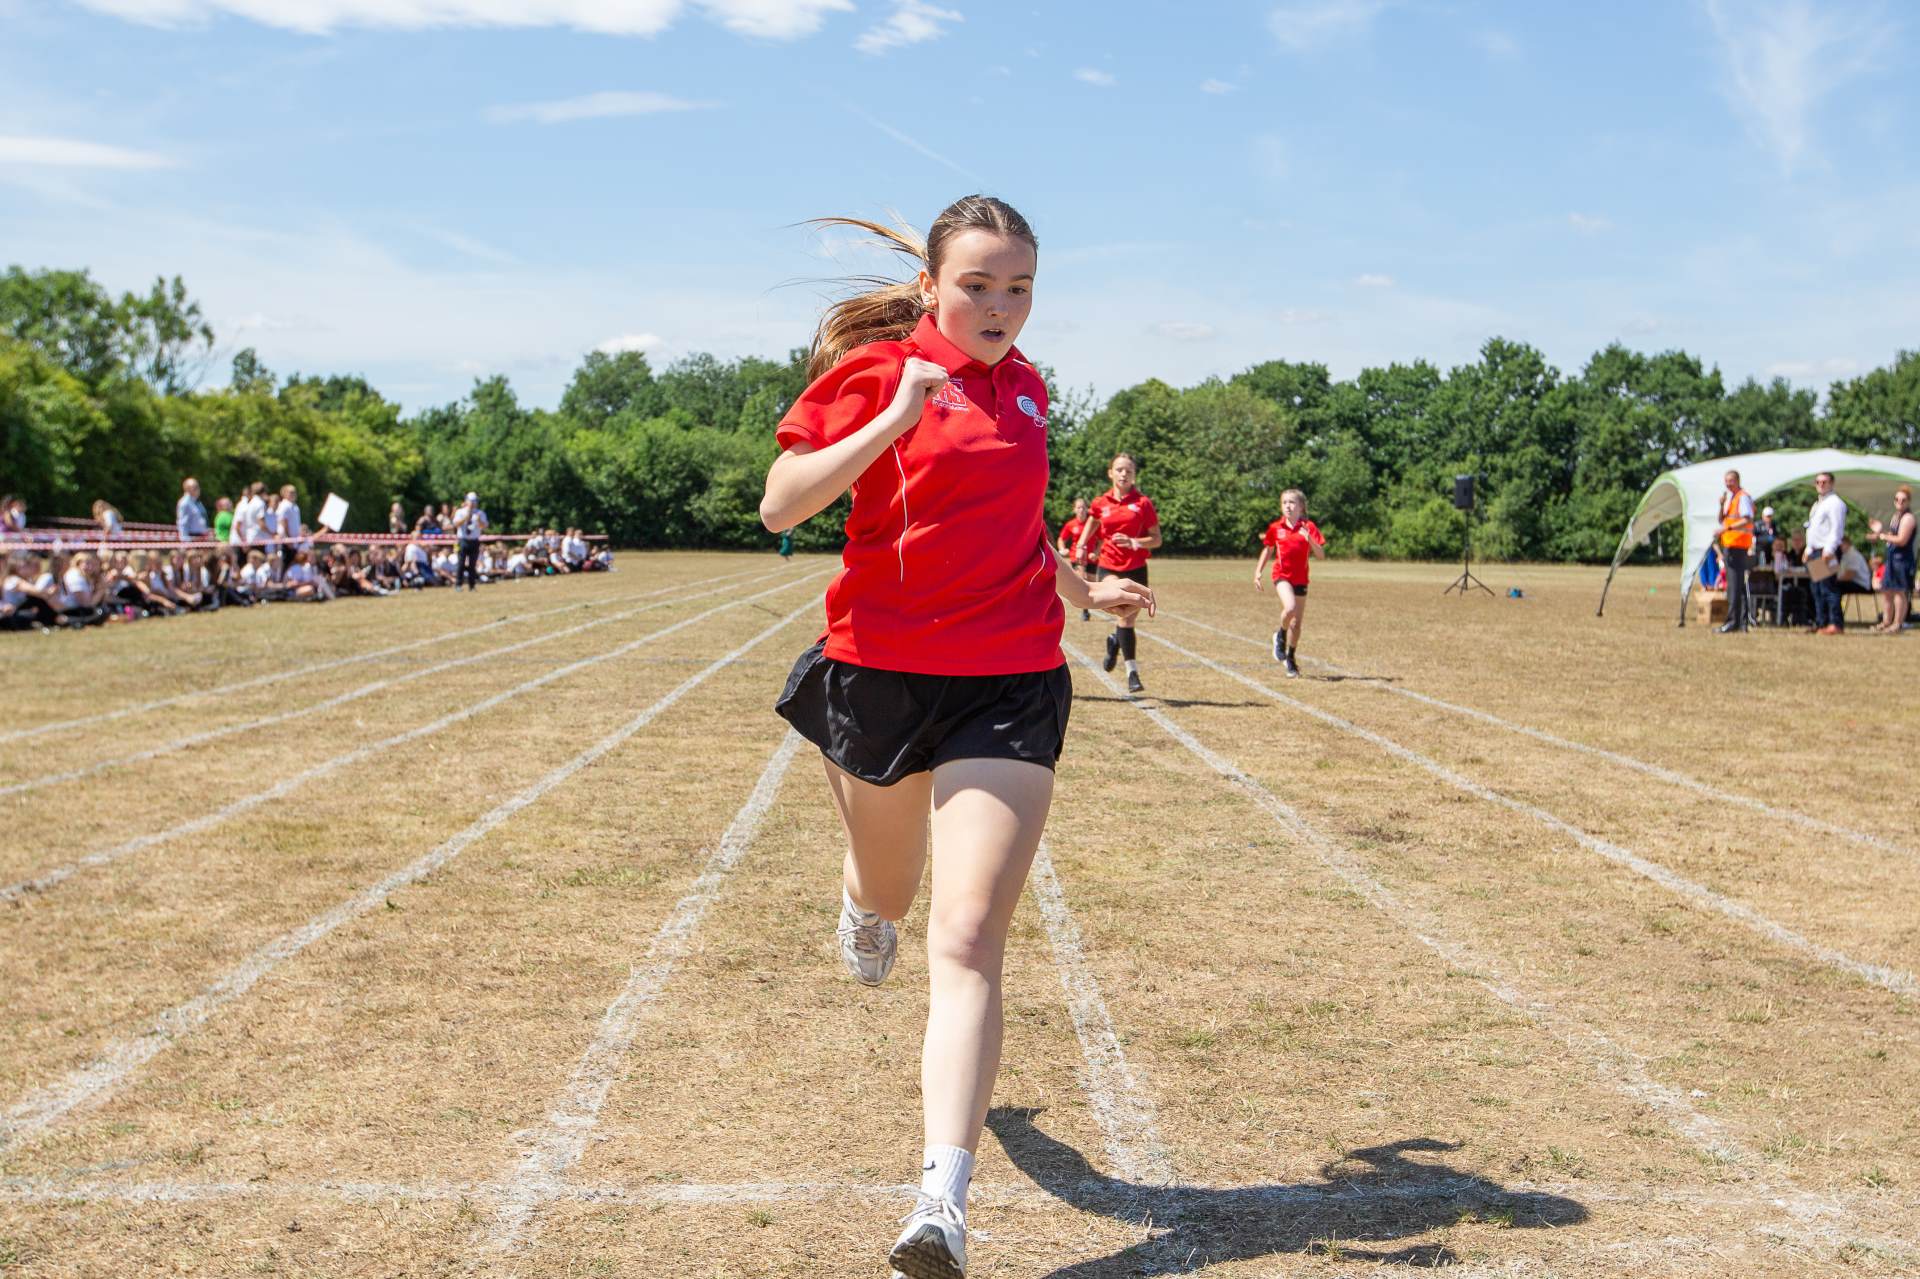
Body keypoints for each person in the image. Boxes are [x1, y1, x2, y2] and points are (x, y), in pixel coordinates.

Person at [758, 196, 1152, 1279]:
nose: (1000, 306)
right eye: (978, 285)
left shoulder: (1026, 388)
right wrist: (893, 417)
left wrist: (1085, 590)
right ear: (931, 286)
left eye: (1019, 288)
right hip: (881, 676)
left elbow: (1015, 524)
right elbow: (781, 506)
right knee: (891, 893)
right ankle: (861, 901)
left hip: (1009, 681)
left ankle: (941, 1203)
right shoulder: (875, 374)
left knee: (970, 933)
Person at [1078, 453, 1160, 694]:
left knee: (1127, 619)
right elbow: (1093, 522)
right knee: (1119, 603)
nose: (1124, 474)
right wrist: (1082, 544)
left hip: (1136, 567)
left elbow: (1156, 539)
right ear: (1110, 473)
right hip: (1109, 566)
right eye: (1119, 469)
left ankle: (1116, 642)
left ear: (1134, 475)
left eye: (1129, 470)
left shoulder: (1143, 503)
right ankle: (1132, 672)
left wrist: (1135, 542)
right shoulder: (1100, 502)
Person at [1253, 488, 1326, 678]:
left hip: (1301, 578)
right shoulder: (1276, 528)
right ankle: (1280, 635)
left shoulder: (1309, 527)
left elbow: (1321, 555)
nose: (1288, 506)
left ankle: (1291, 658)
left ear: (1301, 507)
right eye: (1284, 502)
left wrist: (1309, 539)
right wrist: (1258, 572)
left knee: (1297, 624)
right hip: (1281, 575)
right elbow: (1268, 550)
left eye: (1292, 502)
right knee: (1290, 608)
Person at [1869, 485, 1915, 634]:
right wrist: (1878, 533)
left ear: (1908, 501)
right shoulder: (1896, 517)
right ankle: (1886, 621)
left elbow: (1901, 540)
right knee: (1887, 590)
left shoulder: (1908, 518)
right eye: (1897, 499)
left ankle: (1897, 623)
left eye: (1903, 500)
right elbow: (1891, 536)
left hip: (1902, 560)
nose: (1899, 502)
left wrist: (1883, 536)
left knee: (1899, 592)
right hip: (1892, 559)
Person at [1806, 471, 1847, 635]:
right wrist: (1809, 548)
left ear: (1832, 484)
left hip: (1827, 550)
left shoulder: (1835, 503)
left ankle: (1835, 623)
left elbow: (1837, 528)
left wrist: (1829, 549)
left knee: (1828, 588)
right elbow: (1814, 529)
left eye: (1825, 482)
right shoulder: (1818, 504)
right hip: (1816, 550)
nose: (1821, 485)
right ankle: (1821, 622)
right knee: (1817, 589)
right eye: (1818, 482)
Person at [1716, 468, 1755, 634]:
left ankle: (1733, 622)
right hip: (1731, 544)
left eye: (1731, 480)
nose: (1728, 484)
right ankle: (1740, 622)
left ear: (1737, 481)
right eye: (1726, 481)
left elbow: (1747, 519)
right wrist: (1721, 505)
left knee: (1734, 585)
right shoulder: (1730, 498)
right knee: (1736, 585)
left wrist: (1728, 529)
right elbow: (1721, 519)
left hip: (1738, 545)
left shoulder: (1742, 497)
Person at [1056, 496, 1098, 621]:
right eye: (1079, 508)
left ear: (1087, 509)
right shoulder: (1071, 524)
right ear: (1074, 510)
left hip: (1091, 557)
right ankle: (1085, 611)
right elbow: (1061, 539)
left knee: (1092, 583)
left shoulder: (1092, 523)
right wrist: (1062, 548)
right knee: (1083, 579)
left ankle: (1088, 606)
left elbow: (1102, 540)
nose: (1081, 510)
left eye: (1083, 507)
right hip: (1077, 556)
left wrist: (1096, 552)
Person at [452, 492, 488, 591]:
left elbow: (484, 526)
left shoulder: (480, 513)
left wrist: (479, 520)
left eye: (474, 501)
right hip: (462, 540)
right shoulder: (460, 512)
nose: (472, 503)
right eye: (470, 501)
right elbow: (455, 524)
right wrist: (465, 518)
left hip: (474, 541)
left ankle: (472, 586)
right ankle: (458, 585)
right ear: (466, 501)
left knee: (472, 564)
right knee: (461, 563)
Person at [276, 485, 303, 572]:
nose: (294, 494)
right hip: (287, 540)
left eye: (294, 492)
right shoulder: (284, 506)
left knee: (292, 563)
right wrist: (288, 538)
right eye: (291, 492)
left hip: (293, 540)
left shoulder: (294, 507)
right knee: (285, 562)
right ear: (284, 494)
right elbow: (283, 522)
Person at [176, 477, 211, 543]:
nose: (198, 489)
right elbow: (182, 523)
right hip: (192, 537)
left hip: (201, 536)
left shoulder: (197, 502)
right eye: (195, 487)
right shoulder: (185, 503)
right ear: (187, 489)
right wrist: (185, 541)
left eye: (198, 487)